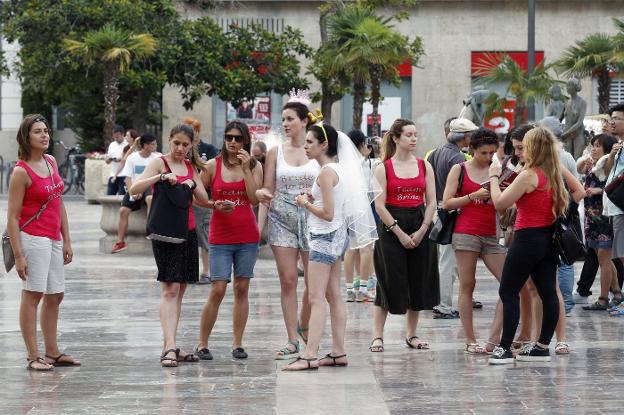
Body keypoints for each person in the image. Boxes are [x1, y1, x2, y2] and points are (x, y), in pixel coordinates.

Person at [284, 120, 376, 370]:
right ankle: (338, 351)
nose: (306, 147)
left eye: (310, 143)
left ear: (324, 144)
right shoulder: (338, 169)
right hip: (338, 236)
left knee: (316, 297)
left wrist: (304, 203)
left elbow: (327, 213)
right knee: (334, 296)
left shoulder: (326, 172)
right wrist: (312, 198)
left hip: (324, 237)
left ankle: (309, 354)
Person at [488, 127, 583, 364]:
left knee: (508, 291)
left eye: (523, 147)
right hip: (548, 238)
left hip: (527, 238)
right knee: (548, 292)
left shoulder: (529, 175)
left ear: (533, 148)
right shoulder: (553, 171)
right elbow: (577, 193)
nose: (519, 151)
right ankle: (541, 346)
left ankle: (505, 348)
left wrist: (492, 176)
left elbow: (500, 203)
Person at [129, 124, 212, 367]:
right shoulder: (159, 163)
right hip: (166, 234)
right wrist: (161, 177)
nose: (180, 148)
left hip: (187, 233)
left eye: (185, 145)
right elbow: (134, 189)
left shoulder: (189, 166)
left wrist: (212, 198)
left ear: (191, 146)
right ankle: (168, 347)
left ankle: (173, 344)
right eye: (176, 143)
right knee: (170, 289)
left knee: (180, 291)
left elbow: (203, 200)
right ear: (169, 140)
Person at [7, 114, 78, 370]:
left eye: (46, 130)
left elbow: (58, 203)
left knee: (55, 295)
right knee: (33, 294)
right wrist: (18, 255)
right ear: (27, 137)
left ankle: (52, 352)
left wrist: (67, 239)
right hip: (32, 239)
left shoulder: (50, 162)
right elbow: (13, 217)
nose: (45, 135)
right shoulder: (20, 172)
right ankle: (32, 356)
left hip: (53, 238)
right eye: (38, 131)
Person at [255, 96, 319, 360]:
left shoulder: (316, 150)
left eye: (290, 119)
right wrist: (259, 227)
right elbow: (268, 190)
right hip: (282, 218)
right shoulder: (275, 152)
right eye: (283, 120)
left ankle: (306, 328)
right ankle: (292, 338)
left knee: (314, 282)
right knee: (288, 280)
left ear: (305, 121)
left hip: (312, 217)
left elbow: (330, 183)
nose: (285, 124)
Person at [369, 118, 439, 353]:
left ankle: (412, 334)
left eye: (415, 135)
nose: (414, 139)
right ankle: (378, 336)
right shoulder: (383, 168)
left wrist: (422, 230)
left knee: (418, 280)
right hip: (391, 228)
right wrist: (399, 233)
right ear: (396, 138)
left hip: (420, 222)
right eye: (409, 135)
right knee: (388, 280)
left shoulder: (424, 165)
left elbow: (432, 202)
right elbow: (379, 206)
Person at [195, 121, 263, 360]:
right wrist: (213, 204)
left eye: (237, 138)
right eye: (228, 137)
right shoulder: (212, 165)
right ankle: (202, 343)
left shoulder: (254, 166)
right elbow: (198, 197)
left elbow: (255, 199)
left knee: (242, 288)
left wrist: (246, 170)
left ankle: (237, 343)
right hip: (220, 236)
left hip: (247, 235)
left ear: (245, 141)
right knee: (217, 289)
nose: (232, 142)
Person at [442, 128, 505, 354]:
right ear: (472, 150)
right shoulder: (459, 169)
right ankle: (470, 340)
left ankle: (494, 338)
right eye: (484, 153)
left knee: (509, 284)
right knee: (468, 284)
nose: (489, 157)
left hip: (492, 234)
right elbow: (446, 203)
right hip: (466, 232)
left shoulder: (497, 170)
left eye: (492, 153)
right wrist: (471, 197)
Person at [428, 118, 478, 319]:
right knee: (448, 261)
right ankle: (444, 305)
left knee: (446, 259)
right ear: (464, 136)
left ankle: (443, 303)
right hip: (451, 210)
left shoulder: (437, 152)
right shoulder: (457, 158)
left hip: (438, 208)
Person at [576, 134, 623, 311]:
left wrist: (597, 190)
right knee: (604, 259)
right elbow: (579, 169)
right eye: (593, 145)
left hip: (603, 218)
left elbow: (612, 183)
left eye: (598, 146)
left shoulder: (606, 163)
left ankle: (603, 299)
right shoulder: (593, 164)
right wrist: (586, 158)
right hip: (592, 218)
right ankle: (617, 293)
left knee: (604, 260)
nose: (594, 148)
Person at [182, 117, 219, 284]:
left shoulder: (209, 149)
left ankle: (207, 271)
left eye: (191, 130)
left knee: (204, 235)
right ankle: (189, 270)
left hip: (203, 198)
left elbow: (213, 170)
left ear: (197, 131)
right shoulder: (182, 149)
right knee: (187, 237)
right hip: (184, 199)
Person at [111, 134, 161, 254]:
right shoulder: (132, 158)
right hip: (135, 187)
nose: (156, 146)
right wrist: (133, 193)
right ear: (145, 145)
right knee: (123, 210)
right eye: (153, 144)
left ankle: (150, 230)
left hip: (150, 186)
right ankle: (120, 242)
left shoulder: (158, 157)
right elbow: (127, 179)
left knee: (150, 198)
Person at [343, 129, 378, 302]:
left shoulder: (343, 164)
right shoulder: (364, 164)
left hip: (347, 209)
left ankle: (350, 288)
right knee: (367, 248)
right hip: (363, 208)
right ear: (362, 145)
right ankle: (365, 287)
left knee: (351, 248)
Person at [105, 124, 128, 195]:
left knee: (122, 197)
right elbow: (107, 161)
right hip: (113, 174)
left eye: (117, 137)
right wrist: (108, 159)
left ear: (122, 134)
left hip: (124, 175)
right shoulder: (112, 145)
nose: (115, 139)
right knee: (109, 196)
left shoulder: (127, 144)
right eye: (114, 137)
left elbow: (130, 159)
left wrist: (121, 159)